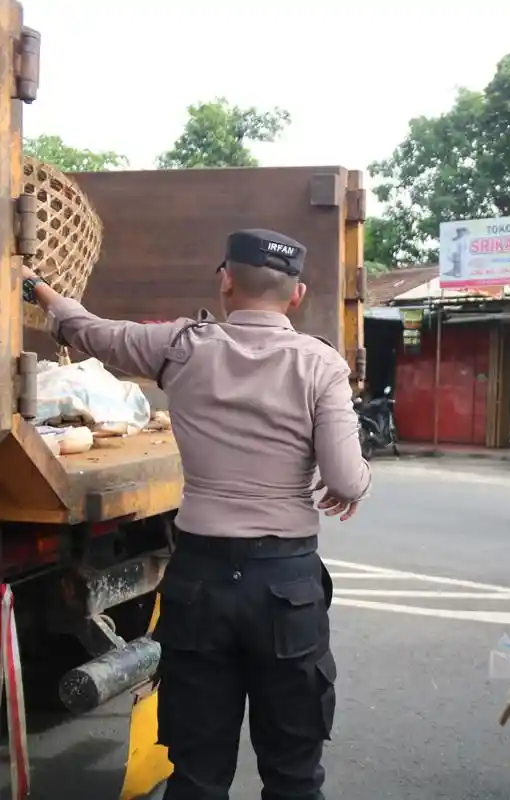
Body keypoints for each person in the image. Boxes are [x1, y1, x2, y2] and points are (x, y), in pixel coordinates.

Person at [22, 228, 371, 800]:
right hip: (286, 588)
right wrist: (356, 485)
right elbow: (345, 479)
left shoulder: (180, 347)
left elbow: (87, 330)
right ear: (297, 295)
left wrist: (33, 284)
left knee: (197, 774)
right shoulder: (321, 365)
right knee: (294, 774)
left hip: (199, 584)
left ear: (226, 281)